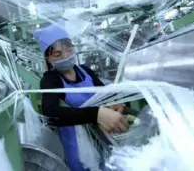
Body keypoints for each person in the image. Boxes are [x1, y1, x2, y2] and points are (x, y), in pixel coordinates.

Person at [34, 21, 129, 171]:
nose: (66, 56)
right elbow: (50, 112)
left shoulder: (84, 71)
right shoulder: (50, 80)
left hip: (102, 138)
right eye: (58, 54)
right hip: (78, 148)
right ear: (48, 59)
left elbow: (104, 94)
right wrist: (96, 114)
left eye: (69, 50)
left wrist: (115, 103)